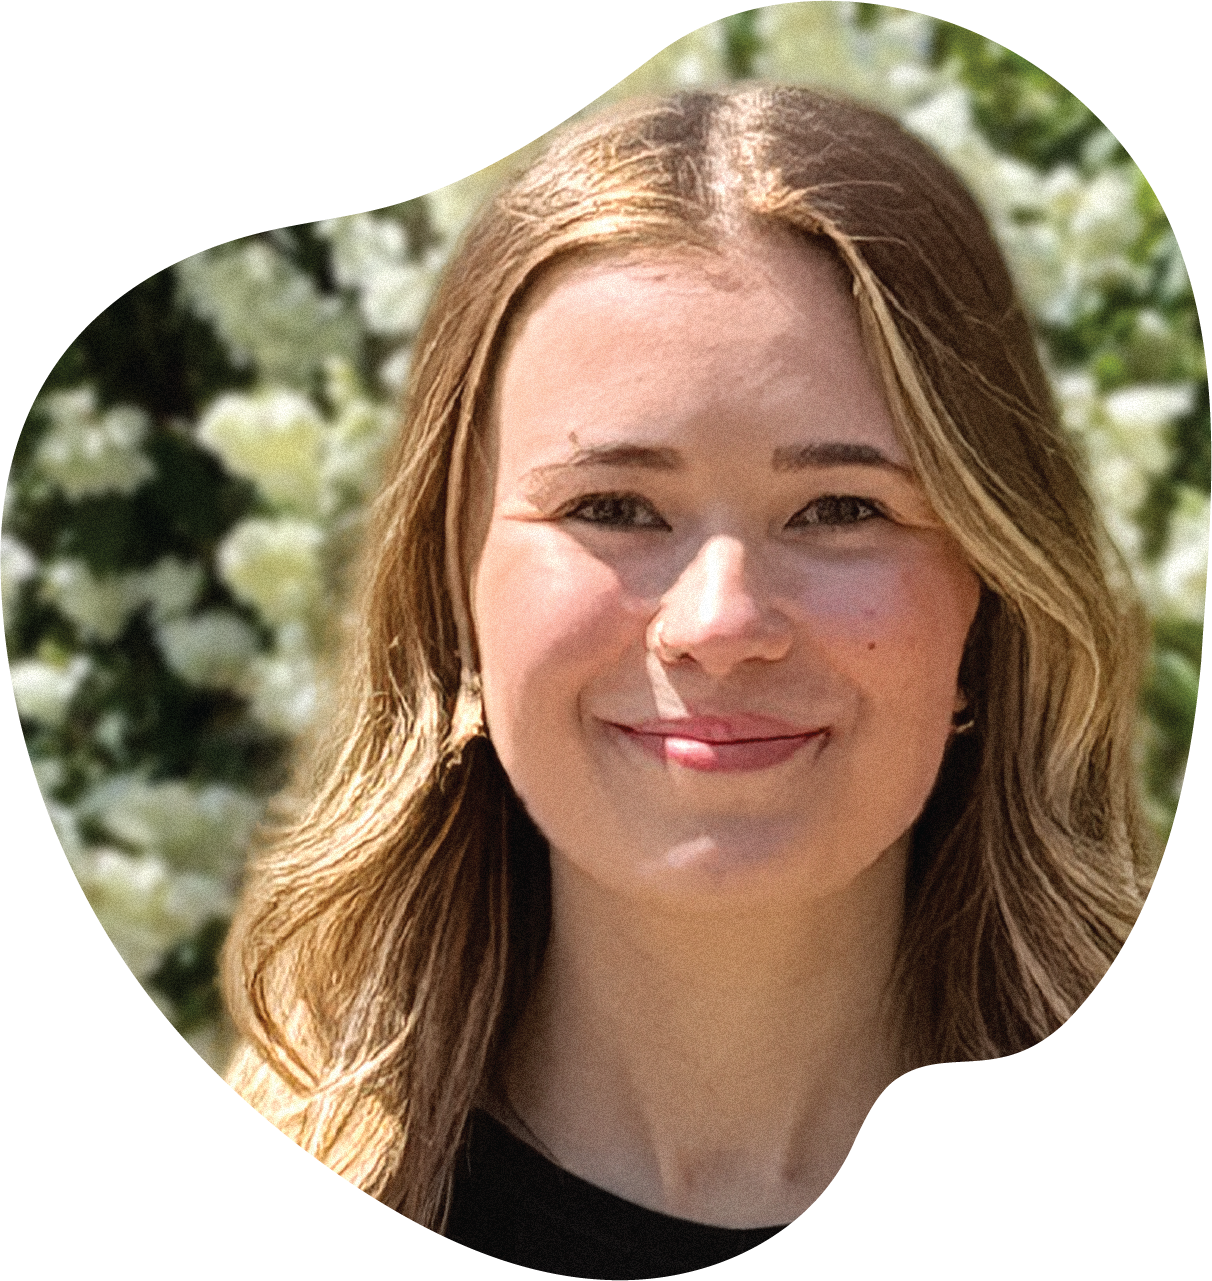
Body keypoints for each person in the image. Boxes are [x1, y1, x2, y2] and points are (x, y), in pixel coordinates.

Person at [220, 85, 1156, 1276]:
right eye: (612, 507)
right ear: (453, 591)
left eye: (839, 511)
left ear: (990, 601)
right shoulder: (239, 1215)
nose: (719, 624)